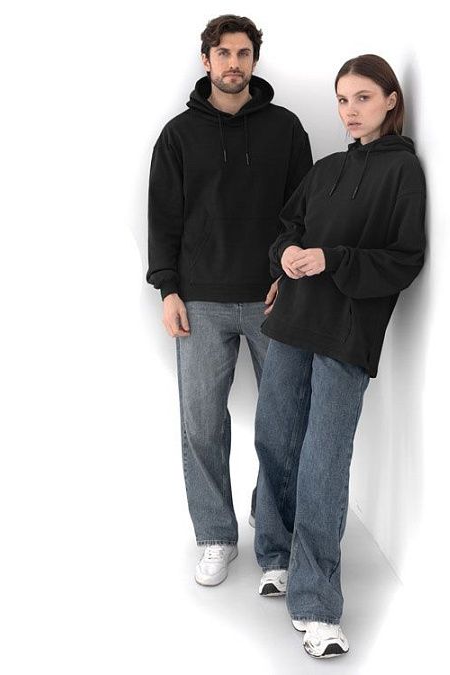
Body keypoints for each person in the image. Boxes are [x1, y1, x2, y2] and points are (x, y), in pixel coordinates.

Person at [253, 54, 426, 658]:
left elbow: (405, 259)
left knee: (323, 461)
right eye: (343, 100)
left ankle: (317, 605)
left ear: (391, 100)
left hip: (347, 332)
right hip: (291, 323)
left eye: (363, 98)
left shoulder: (404, 173)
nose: (350, 111)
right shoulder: (326, 168)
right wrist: (286, 256)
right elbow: (286, 230)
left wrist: (334, 259)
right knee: (275, 438)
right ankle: (274, 554)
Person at [146, 15, 313, 587]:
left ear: (254, 60)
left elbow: (302, 215)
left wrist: (288, 279)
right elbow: (163, 217)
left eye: (243, 53)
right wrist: (168, 288)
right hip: (200, 301)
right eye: (223, 53)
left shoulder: (286, 129)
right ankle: (216, 536)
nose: (233, 63)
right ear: (207, 60)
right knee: (201, 425)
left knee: (283, 424)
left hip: (273, 299)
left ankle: (274, 529)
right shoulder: (178, 135)